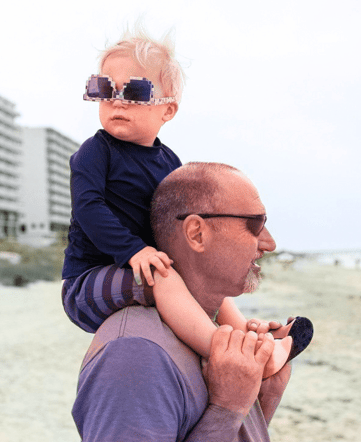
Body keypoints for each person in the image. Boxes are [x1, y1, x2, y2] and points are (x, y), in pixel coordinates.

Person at [61, 27, 309, 378]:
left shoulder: (169, 163)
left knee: (193, 276)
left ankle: (241, 337)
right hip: (88, 281)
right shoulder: (94, 152)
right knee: (162, 277)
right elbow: (89, 209)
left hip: (140, 266)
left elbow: (175, 222)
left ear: (167, 110)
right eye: (103, 88)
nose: (116, 100)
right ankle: (227, 354)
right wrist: (134, 251)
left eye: (134, 90)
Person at [73, 162, 307, 441]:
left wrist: (259, 398)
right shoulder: (136, 353)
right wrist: (228, 407)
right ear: (197, 233)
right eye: (255, 225)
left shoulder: (210, 325)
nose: (270, 244)